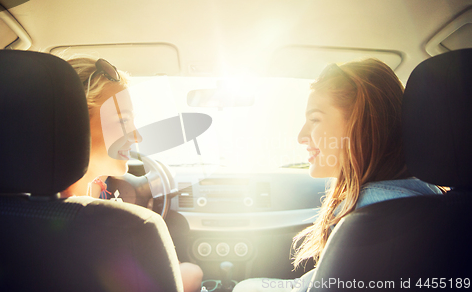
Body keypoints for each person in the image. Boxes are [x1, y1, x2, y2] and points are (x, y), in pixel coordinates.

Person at [233, 59, 443, 292]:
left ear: (360, 126)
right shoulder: (430, 195)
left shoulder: (368, 214)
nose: (301, 136)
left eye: (314, 119)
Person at [59, 56, 203, 292]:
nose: (137, 136)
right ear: (75, 124)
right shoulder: (127, 228)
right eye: (123, 120)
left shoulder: (2, 210)